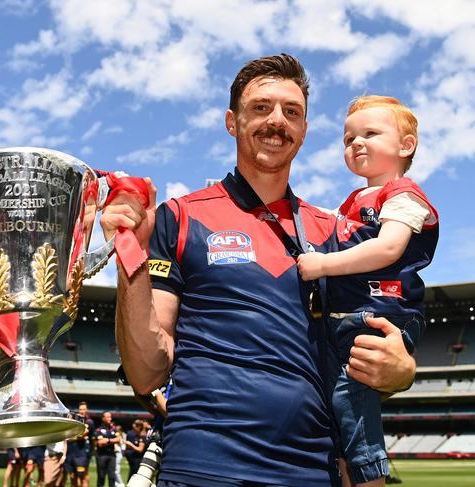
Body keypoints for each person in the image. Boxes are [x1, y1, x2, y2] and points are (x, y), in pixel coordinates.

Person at [102, 53, 417, 486]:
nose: (277, 121)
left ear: (304, 130)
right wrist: (131, 257)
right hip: (203, 468)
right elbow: (147, 369)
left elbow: (371, 332)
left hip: (312, 470)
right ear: (232, 122)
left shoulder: (336, 233)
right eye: (261, 107)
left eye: (292, 112)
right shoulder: (180, 217)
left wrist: (401, 371)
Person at [296, 95, 438, 486]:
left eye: (370, 133)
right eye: (348, 138)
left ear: (405, 146)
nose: (355, 143)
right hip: (347, 317)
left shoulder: (403, 194)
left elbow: (388, 247)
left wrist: (322, 265)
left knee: (351, 403)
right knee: (333, 407)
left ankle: (371, 478)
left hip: (380, 312)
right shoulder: (353, 203)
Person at [65, 402, 95, 487]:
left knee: (83, 475)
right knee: (72, 476)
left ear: (87, 410)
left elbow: (83, 434)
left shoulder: (89, 422)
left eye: (84, 409)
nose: (82, 411)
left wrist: (71, 437)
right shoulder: (74, 421)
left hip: (82, 453)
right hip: (71, 452)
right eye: (80, 409)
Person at [94, 412, 120, 487]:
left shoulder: (114, 429)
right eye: (108, 417)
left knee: (112, 477)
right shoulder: (98, 430)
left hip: (112, 455)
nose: (110, 419)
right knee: (101, 477)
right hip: (101, 456)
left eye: (110, 417)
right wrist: (112, 440)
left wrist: (108, 440)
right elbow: (100, 443)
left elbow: (119, 439)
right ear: (103, 418)